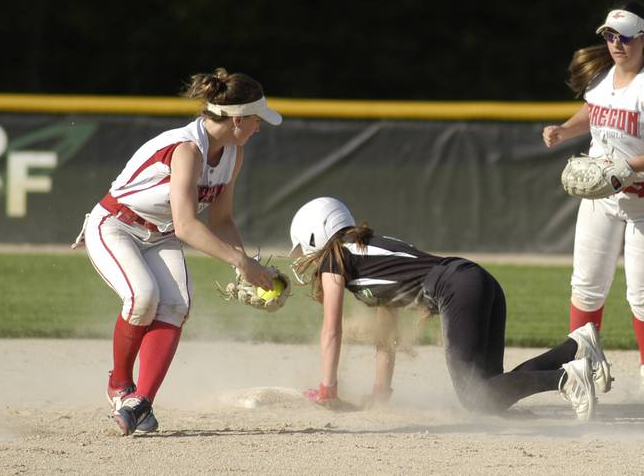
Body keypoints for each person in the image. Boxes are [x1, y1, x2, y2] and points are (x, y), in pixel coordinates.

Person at [74, 67, 282, 435]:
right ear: (235, 120)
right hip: (116, 225)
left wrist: (247, 265)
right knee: (143, 297)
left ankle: (139, 403)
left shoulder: (233, 155)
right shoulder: (186, 149)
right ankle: (119, 384)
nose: (259, 127)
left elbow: (221, 220)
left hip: (161, 234)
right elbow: (187, 225)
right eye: (255, 119)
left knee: (175, 305)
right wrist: (240, 261)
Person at [288, 197, 613, 421]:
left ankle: (566, 380)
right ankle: (577, 346)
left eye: (306, 248)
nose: (308, 258)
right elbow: (386, 338)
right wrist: (380, 392)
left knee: (474, 398)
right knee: (489, 396)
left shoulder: (336, 258)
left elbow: (332, 329)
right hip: (474, 280)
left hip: (456, 288)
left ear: (316, 236)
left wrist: (327, 389)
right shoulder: (365, 252)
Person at [541, 2, 644, 391]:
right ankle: (581, 367)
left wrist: (633, 166)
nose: (616, 43)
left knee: (642, 295)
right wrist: (564, 130)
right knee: (586, 286)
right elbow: (593, 112)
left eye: (625, 37)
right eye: (610, 36)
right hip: (603, 196)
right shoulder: (601, 78)